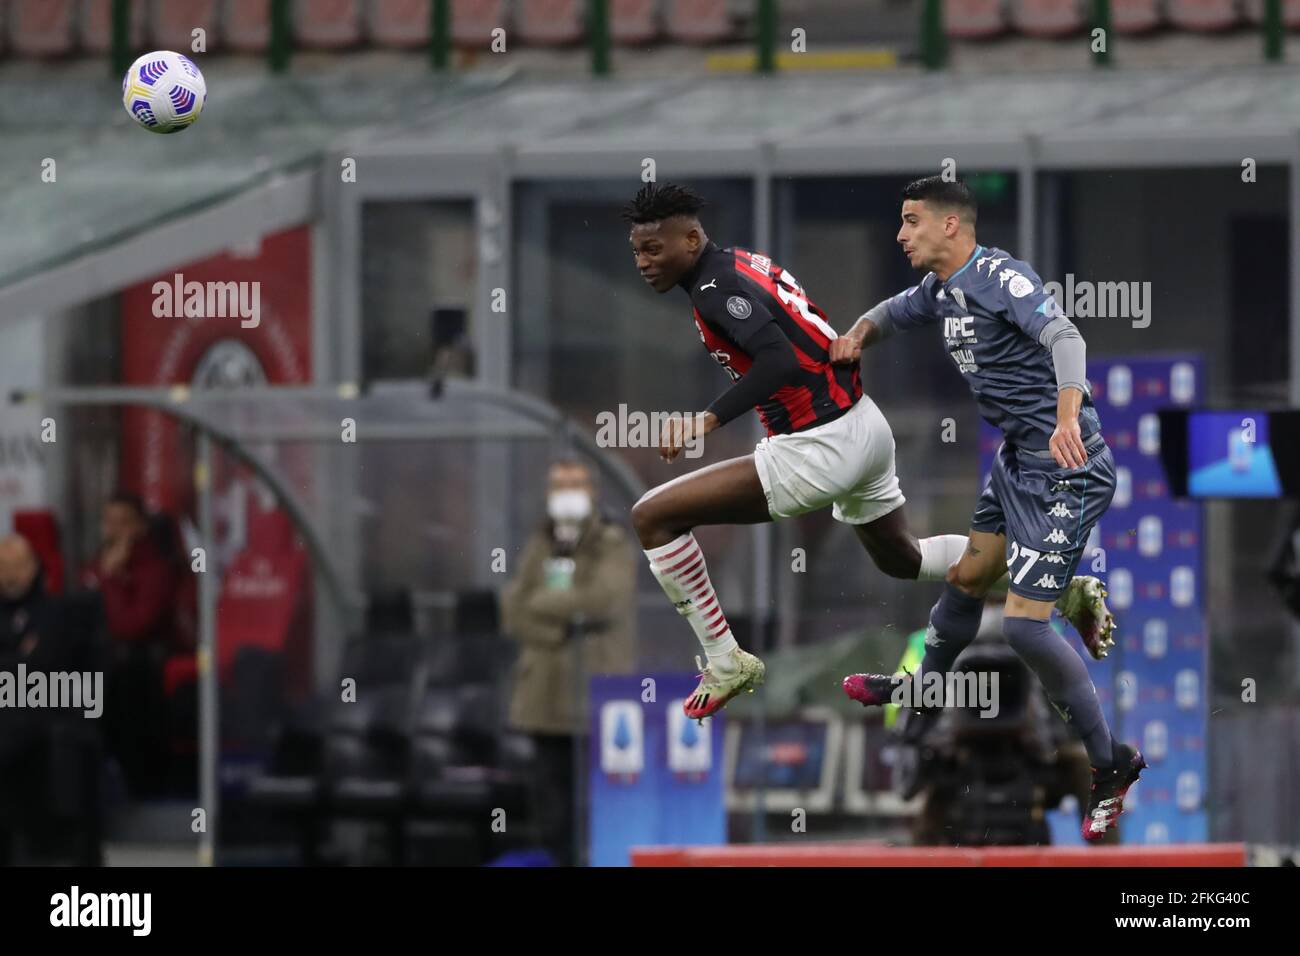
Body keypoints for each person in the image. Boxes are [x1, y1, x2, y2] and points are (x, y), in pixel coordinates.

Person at [623, 182, 1110, 724]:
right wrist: (857, 333)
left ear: (691, 239)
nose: (644, 263)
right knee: (903, 557)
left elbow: (778, 362)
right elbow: (837, 326)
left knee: (653, 517)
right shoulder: (737, 262)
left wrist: (707, 419)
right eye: (637, 252)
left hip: (819, 444)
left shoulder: (716, 289)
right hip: (862, 425)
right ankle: (1058, 587)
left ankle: (725, 659)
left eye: (654, 249)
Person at [835, 176, 1141, 842]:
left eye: (911, 220)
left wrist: (1066, 414)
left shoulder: (1000, 276)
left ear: (951, 227)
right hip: (1015, 463)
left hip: (1066, 468)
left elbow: (1065, 337)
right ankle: (919, 695)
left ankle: (1112, 764)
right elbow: (896, 310)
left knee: (1026, 629)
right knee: (967, 580)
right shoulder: (940, 290)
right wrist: (858, 332)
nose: (900, 233)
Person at [500, 458, 636, 866]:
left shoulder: (610, 543)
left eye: (576, 484)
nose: (568, 492)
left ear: (592, 491)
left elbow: (602, 601)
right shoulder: (541, 542)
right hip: (542, 698)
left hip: (590, 696)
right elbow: (512, 610)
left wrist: (543, 605)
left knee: (590, 804)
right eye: (559, 485)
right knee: (550, 804)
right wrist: (559, 627)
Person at [81, 492, 180, 797]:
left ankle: (140, 790)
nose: (114, 530)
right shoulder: (96, 566)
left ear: (140, 528)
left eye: (123, 523)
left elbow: (130, 627)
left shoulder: (156, 570)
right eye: (109, 522)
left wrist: (111, 580)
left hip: (140, 668)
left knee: (122, 684)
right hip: (98, 664)